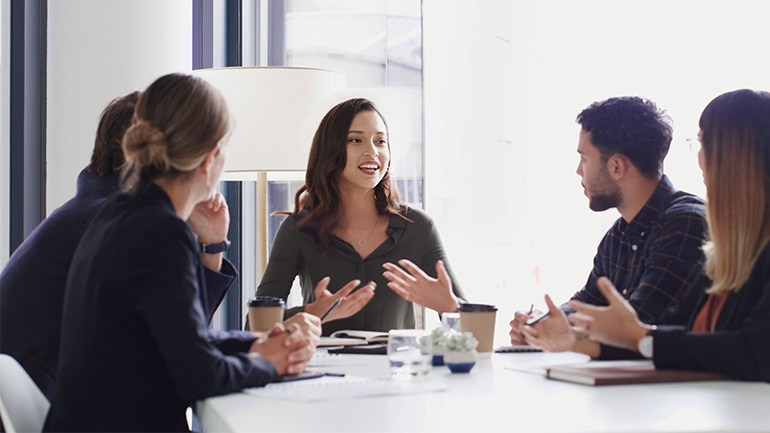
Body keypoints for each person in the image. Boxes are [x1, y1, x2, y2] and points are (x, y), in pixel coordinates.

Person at [43, 73, 316, 432]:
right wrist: (271, 363)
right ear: (209, 158)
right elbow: (200, 377)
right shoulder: (160, 232)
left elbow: (181, 336)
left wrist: (256, 341)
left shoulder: (120, 211)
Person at [523, 89, 770, 382]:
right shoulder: (728, 258)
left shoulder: (688, 222)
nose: (699, 157)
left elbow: (753, 352)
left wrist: (637, 336)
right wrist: (572, 339)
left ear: (733, 157)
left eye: (703, 141)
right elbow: (663, 338)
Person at [509, 96, 708, 359]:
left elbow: (635, 327)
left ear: (616, 166)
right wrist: (542, 324)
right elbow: (586, 303)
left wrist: (559, 330)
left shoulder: (686, 223)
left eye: (584, 159)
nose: (578, 171)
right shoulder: (619, 234)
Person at [256, 98, 466, 335]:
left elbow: (475, 334)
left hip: (396, 370)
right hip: (321, 370)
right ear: (330, 150)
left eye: (380, 141)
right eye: (356, 140)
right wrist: (315, 312)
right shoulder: (297, 230)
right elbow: (255, 328)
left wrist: (449, 307)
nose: (372, 152)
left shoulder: (418, 227)